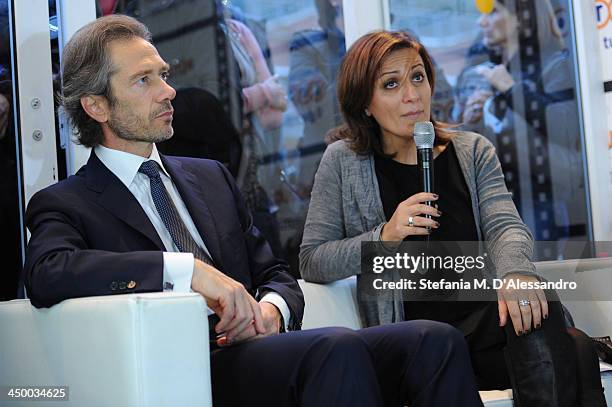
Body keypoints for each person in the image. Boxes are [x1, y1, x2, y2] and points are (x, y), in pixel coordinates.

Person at [23, 15, 485, 407]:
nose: (168, 91)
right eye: (145, 81)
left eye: (164, 75)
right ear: (96, 105)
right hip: (192, 365)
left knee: (432, 339)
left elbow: (279, 275)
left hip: (264, 349)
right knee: (333, 347)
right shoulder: (68, 202)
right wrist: (188, 273)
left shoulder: (210, 178)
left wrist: (272, 310)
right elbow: (48, 271)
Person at [300, 30, 606, 406]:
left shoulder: (472, 150)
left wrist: (516, 274)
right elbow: (313, 259)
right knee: (575, 348)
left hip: (485, 322)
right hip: (417, 337)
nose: (412, 96)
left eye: (418, 77)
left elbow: (505, 227)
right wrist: (386, 235)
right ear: (365, 102)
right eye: (391, 84)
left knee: (544, 308)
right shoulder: (343, 161)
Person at [452, 0, 585, 243]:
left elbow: (566, 129)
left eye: (492, 13)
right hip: (496, 205)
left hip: (545, 206)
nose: (481, 22)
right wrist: (470, 122)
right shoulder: (488, 72)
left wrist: (512, 91)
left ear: (521, 19)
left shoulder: (557, 65)